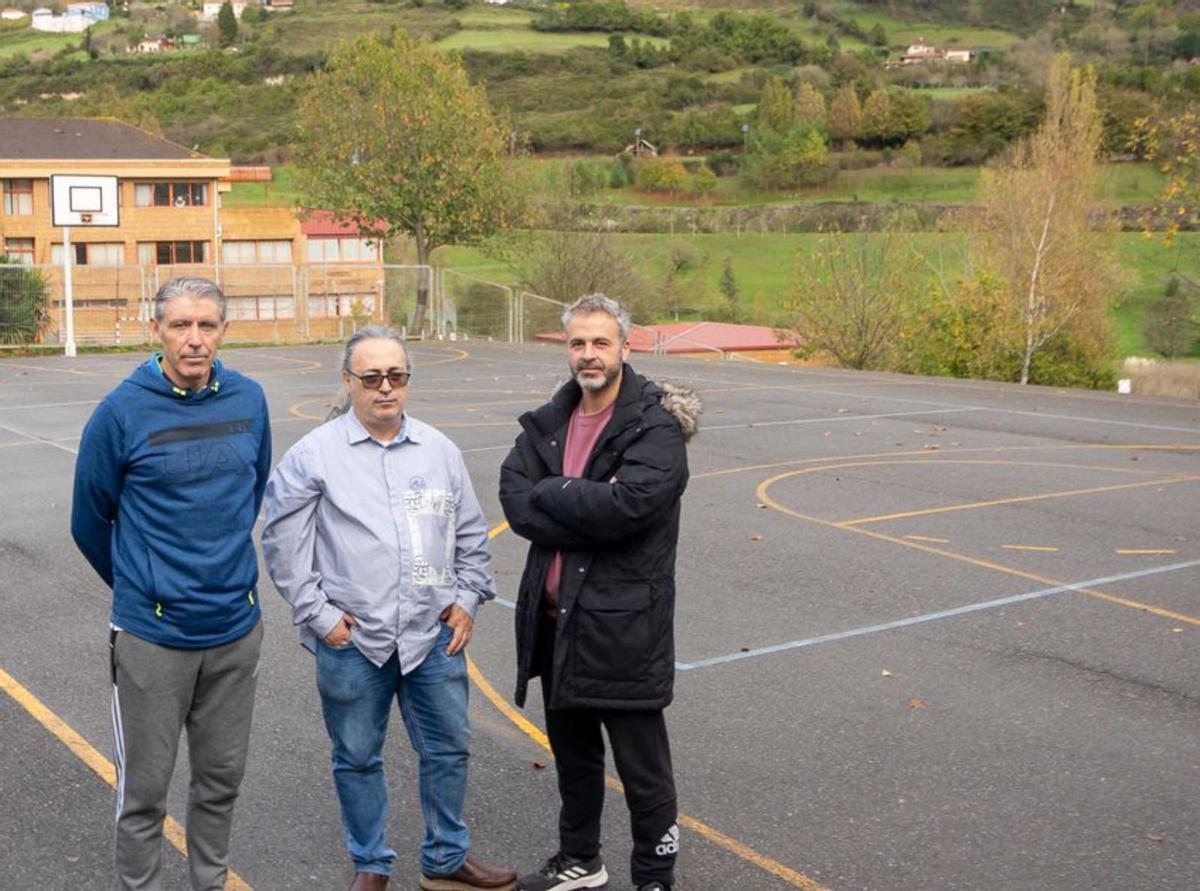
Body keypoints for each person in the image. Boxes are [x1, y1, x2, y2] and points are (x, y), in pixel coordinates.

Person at [261, 326, 517, 891]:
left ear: (408, 381)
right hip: (355, 642)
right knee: (355, 756)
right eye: (371, 377)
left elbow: (471, 535)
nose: (384, 388)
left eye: (396, 376)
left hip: (432, 638)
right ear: (348, 381)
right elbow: (283, 545)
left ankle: (447, 857)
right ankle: (371, 863)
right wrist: (320, 616)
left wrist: (469, 598)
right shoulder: (314, 456)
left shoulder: (439, 450)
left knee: (448, 749)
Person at [71, 276, 272, 891]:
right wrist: (146, 587)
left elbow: (252, 488)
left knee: (220, 781)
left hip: (235, 633)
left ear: (222, 332)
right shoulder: (120, 412)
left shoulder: (249, 400)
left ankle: (207, 882)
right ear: (155, 329)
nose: (194, 339)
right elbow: (88, 521)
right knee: (144, 794)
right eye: (180, 325)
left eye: (206, 325)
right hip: (153, 640)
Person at [499, 294, 700, 891]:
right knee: (575, 755)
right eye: (578, 343)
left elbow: (627, 508)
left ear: (625, 347)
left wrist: (553, 490)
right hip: (556, 620)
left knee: (643, 767)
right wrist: (581, 497)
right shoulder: (550, 422)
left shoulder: (655, 428)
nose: (588, 354)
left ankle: (654, 876)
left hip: (623, 626)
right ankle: (580, 860)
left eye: (600, 342)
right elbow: (515, 500)